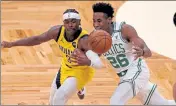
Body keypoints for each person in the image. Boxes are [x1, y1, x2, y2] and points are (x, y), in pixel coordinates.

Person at [1, 9, 103, 105]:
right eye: (67, 22)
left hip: (82, 72)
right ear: (63, 23)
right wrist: (11, 44)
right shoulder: (57, 32)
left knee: (58, 99)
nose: (70, 25)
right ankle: (79, 88)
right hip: (66, 67)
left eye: (73, 21)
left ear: (79, 22)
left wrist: (87, 62)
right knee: (51, 101)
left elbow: (99, 64)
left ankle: (79, 85)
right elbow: (37, 39)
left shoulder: (84, 40)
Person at [90, 2, 176, 105]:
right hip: (125, 76)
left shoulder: (125, 30)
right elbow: (94, 56)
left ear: (109, 19)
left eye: (99, 21)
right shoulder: (96, 37)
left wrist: (142, 51)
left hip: (137, 70)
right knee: (162, 104)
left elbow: (148, 52)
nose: (96, 24)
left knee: (116, 101)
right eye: (94, 21)